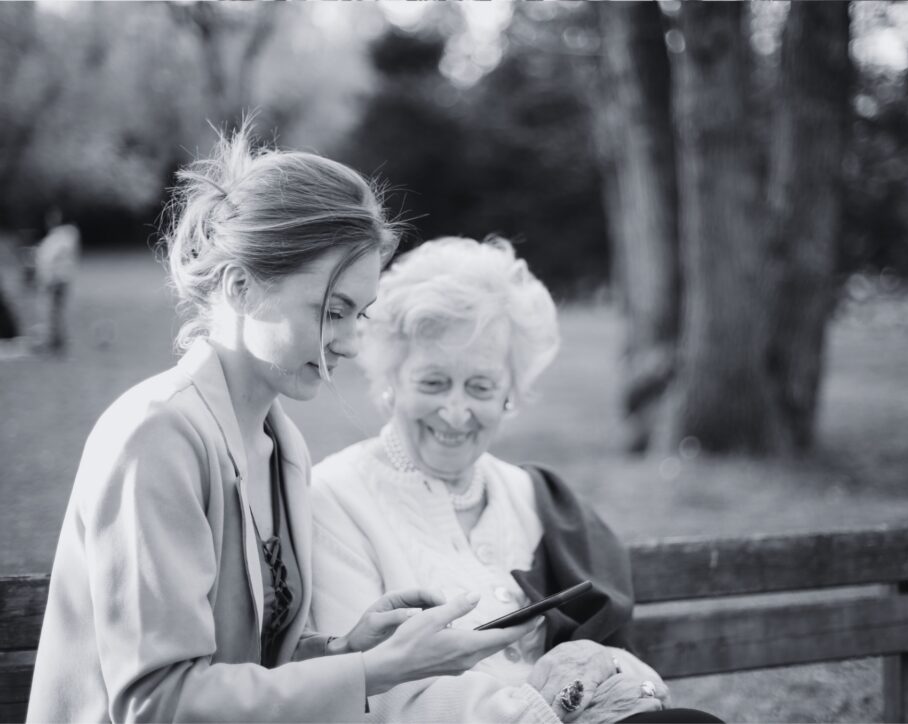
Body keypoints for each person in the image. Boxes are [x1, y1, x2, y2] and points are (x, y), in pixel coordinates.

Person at [26, 130, 535, 723]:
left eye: (359, 314)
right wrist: (377, 672)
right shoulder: (156, 436)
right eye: (331, 311)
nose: (348, 342)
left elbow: (249, 667)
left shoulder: (281, 443)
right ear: (242, 286)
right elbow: (159, 704)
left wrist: (348, 648)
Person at [311, 237, 722, 723]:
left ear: (510, 395)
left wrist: (614, 674)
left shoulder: (533, 496)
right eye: (433, 382)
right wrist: (542, 708)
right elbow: (373, 695)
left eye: (481, 387)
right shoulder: (334, 497)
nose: (457, 410)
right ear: (389, 383)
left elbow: (622, 661)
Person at [33, 209, 80, 353]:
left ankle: (55, 341)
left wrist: (45, 278)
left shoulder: (58, 238)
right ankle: (56, 340)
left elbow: (47, 260)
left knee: (54, 311)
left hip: (57, 279)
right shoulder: (66, 237)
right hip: (61, 279)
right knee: (56, 311)